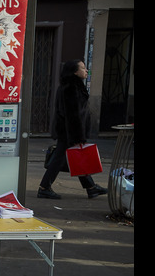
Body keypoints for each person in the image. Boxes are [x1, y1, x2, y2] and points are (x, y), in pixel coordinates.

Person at [38, 59, 107, 199]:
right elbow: (72, 115)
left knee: (76, 158)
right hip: (69, 131)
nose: (86, 70)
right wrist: (77, 137)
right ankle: (44, 187)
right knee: (61, 159)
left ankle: (91, 187)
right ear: (74, 72)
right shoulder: (71, 88)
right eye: (82, 68)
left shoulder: (71, 86)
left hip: (68, 131)